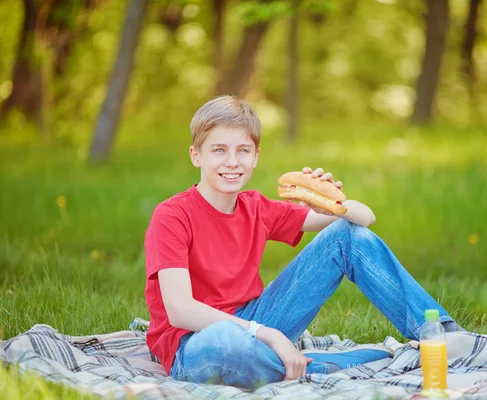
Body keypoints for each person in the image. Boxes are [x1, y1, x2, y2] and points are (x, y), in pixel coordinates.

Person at [144, 95, 462, 390]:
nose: (232, 162)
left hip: (257, 321)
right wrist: (266, 335)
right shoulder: (172, 216)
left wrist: (330, 201)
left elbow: (363, 220)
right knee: (227, 342)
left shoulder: (256, 207)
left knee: (345, 236)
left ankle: (444, 338)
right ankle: (317, 367)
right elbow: (180, 310)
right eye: (219, 150)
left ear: (256, 157)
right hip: (196, 345)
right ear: (196, 155)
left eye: (243, 150)